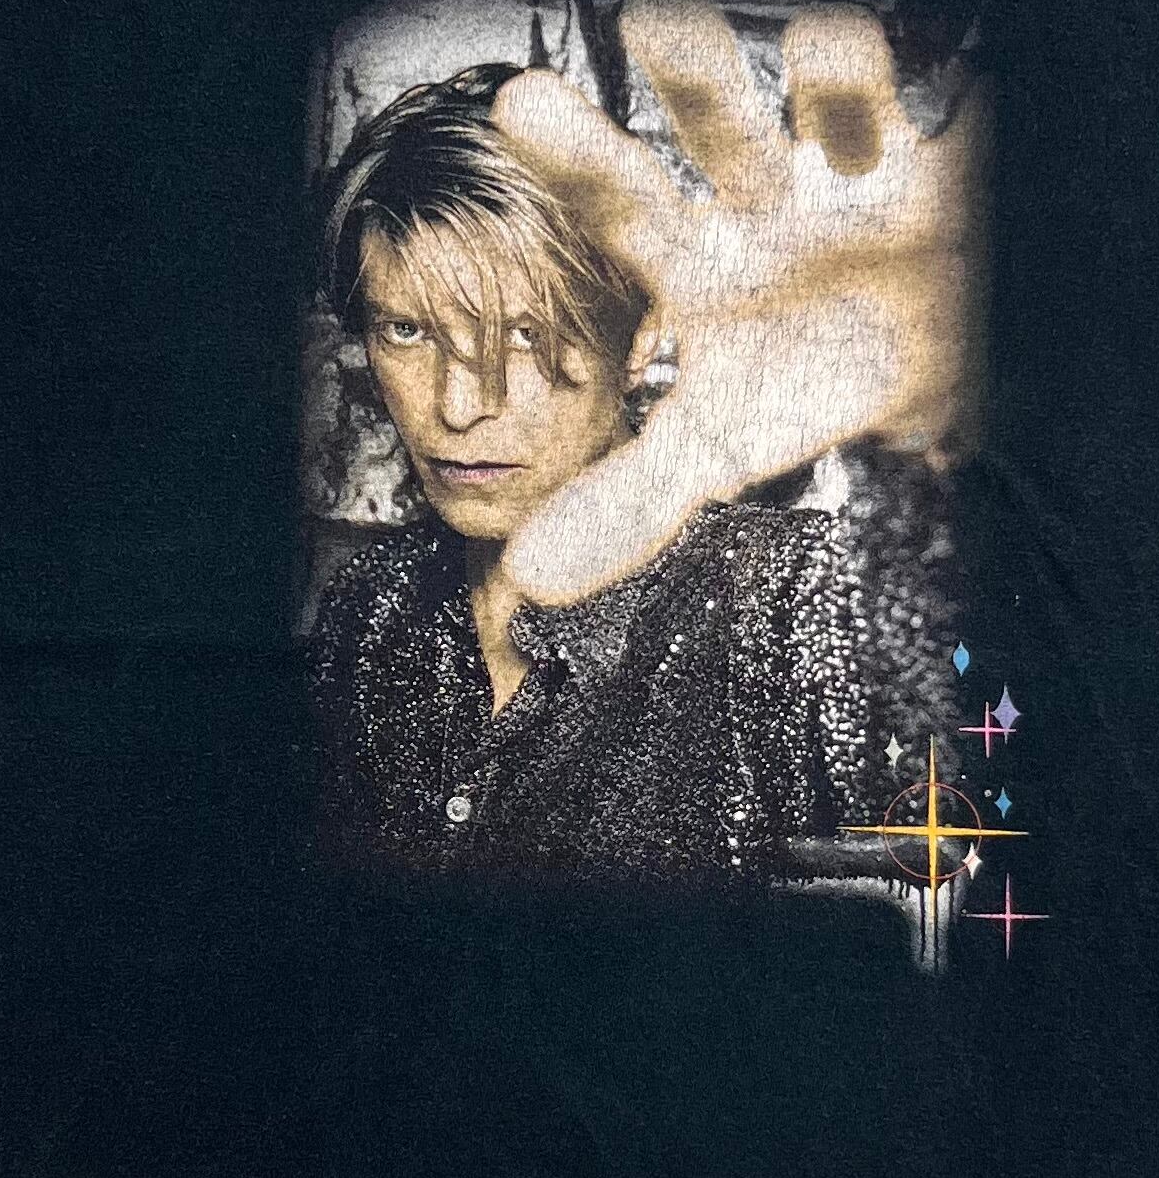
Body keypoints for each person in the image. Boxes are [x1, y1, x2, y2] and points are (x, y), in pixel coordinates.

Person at [303, 47, 969, 890]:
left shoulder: (783, 605)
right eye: (408, 331)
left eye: (526, 333)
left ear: (641, 335)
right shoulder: (368, 611)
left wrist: (940, 433)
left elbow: (989, 782)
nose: (460, 405)